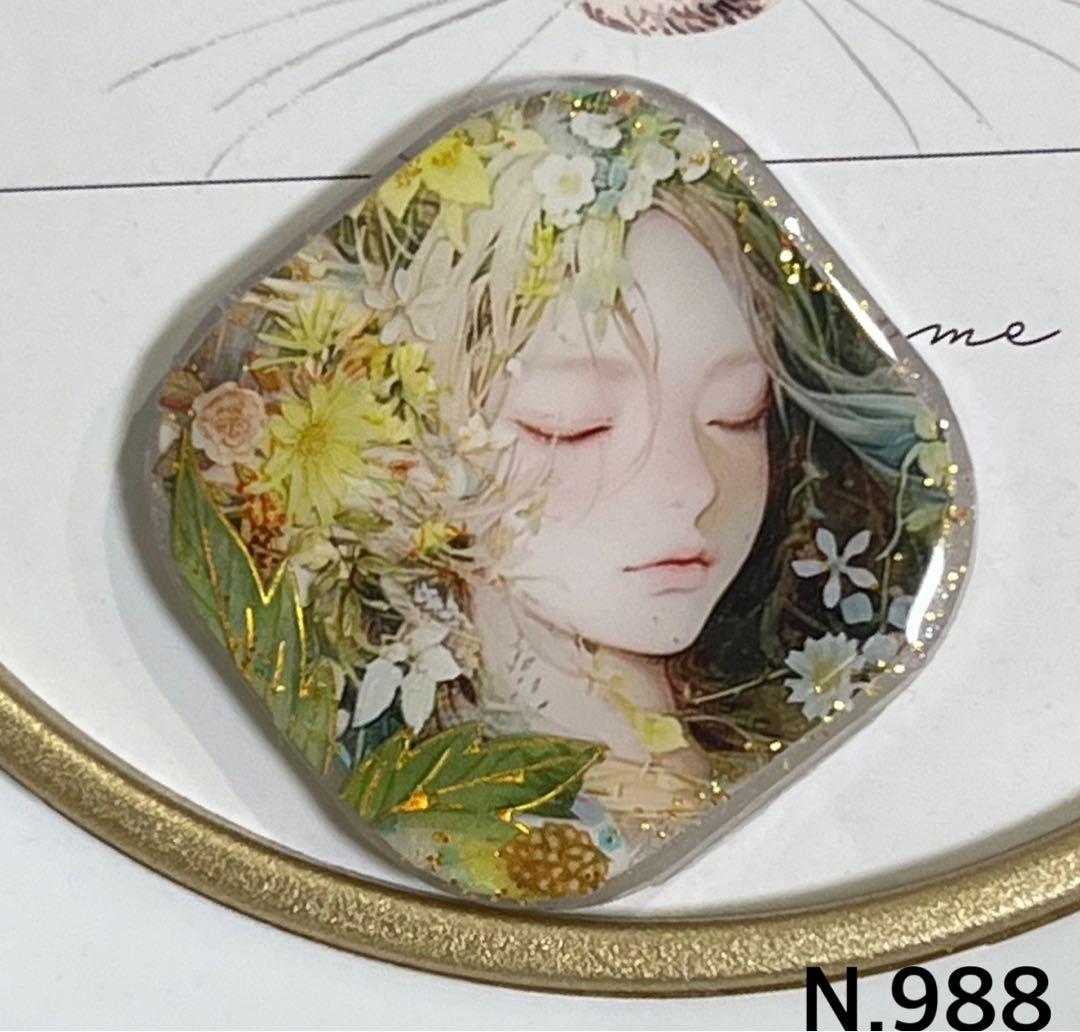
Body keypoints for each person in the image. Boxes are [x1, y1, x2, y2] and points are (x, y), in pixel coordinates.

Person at [160, 87, 956, 902]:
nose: (693, 486)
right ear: (415, 445)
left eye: (736, 413)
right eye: (572, 424)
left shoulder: (762, 736)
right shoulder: (439, 786)